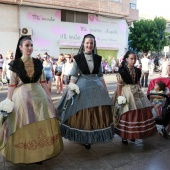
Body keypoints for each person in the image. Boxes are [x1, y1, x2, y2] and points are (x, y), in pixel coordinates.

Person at [0, 36, 63, 164]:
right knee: (25, 124)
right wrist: (8, 100)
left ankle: (42, 153)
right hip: (22, 98)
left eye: (31, 45)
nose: (29, 48)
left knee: (40, 122)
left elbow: (44, 82)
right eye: (27, 45)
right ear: (20, 47)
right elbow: (12, 84)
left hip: (39, 97)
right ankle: (27, 154)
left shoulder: (38, 62)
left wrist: (49, 98)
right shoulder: (15, 64)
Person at [57, 34, 114, 149]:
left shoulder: (98, 58)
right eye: (87, 43)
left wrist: (106, 91)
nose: (89, 45)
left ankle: (93, 136)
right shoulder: (78, 58)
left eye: (91, 43)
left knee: (96, 112)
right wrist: (70, 90)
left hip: (97, 87)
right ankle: (84, 137)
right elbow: (74, 75)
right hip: (82, 87)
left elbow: (101, 76)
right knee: (84, 112)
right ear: (83, 43)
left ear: (94, 44)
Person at [112, 50, 157, 145]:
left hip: (136, 92)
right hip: (126, 93)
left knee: (139, 112)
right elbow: (119, 85)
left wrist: (141, 92)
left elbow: (137, 82)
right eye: (131, 59)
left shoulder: (138, 70)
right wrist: (119, 97)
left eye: (135, 59)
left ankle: (133, 135)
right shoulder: (122, 71)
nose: (133, 61)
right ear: (126, 59)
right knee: (127, 113)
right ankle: (125, 136)